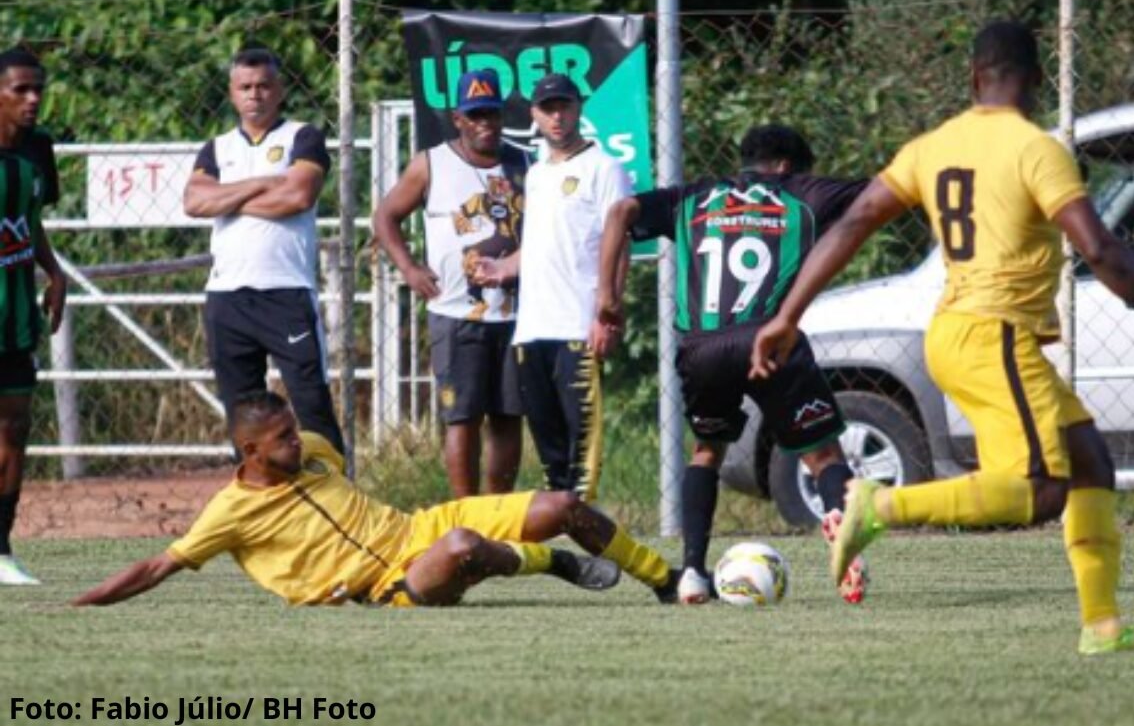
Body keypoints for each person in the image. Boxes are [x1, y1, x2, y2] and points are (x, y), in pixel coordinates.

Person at [750, 20, 1134, 654]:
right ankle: (877, 507)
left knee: (1089, 464)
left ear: (973, 78)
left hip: (960, 331)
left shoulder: (932, 145)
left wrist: (787, 315)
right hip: (993, 333)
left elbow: (856, 219)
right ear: (1040, 80)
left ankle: (1103, 626)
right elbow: (1100, 248)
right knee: (1040, 490)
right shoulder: (1035, 148)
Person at [73, 391, 680, 607]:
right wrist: (85, 603)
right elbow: (158, 565)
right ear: (250, 453)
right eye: (281, 437)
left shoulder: (312, 449)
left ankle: (665, 580)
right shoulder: (228, 512)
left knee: (561, 507)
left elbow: (323, 459)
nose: (297, 440)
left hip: (419, 527)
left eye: (293, 428)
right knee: (464, 549)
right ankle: (549, 562)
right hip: (380, 587)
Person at [596, 125, 869, 604]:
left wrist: (608, 299)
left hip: (703, 347)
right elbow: (886, 191)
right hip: (770, 340)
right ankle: (843, 535)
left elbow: (621, 212)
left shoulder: (693, 198)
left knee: (707, 450)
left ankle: (693, 573)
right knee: (823, 455)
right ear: (787, 167)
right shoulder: (803, 193)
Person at [476, 73, 633, 499]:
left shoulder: (605, 169)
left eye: (564, 106)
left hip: (578, 326)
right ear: (534, 116)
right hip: (532, 329)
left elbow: (620, 247)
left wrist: (608, 313)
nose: (557, 117)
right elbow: (541, 244)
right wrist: (502, 268)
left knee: (581, 455)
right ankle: (561, 537)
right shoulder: (540, 173)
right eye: (547, 109)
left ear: (579, 107)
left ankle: (588, 536)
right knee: (550, 453)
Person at [373, 69, 527, 498]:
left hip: (517, 311)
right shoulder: (431, 163)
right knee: (462, 416)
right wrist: (409, 267)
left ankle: (498, 512)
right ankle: (466, 511)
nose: (486, 124)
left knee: (508, 415)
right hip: (455, 312)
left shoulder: (524, 162)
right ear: (457, 118)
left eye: (492, 115)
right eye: (475, 115)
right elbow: (385, 216)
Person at [183, 47, 344, 454]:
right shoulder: (217, 148)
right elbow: (194, 202)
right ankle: (259, 505)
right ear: (233, 93)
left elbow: (298, 195)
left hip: (285, 292)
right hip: (227, 297)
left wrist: (227, 196)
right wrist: (265, 183)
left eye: (263, 85)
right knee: (242, 413)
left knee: (311, 404)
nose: (255, 94)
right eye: (246, 87)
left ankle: (337, 502)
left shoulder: (303, 136)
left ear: (280, 90)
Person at [0, 49, 68, 586]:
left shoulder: (39, 151)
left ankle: (0, 552)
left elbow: (30, 220)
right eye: (21, 89)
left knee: (15, 428)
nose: (34, 99)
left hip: (16, 319)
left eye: (38, 89)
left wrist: (55, 273)